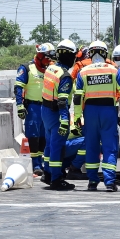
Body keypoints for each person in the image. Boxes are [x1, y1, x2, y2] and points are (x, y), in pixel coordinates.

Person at [74, 40, 120, 192]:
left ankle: (92, 181)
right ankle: (109, 182)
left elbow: (77, 98)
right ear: (105, 53)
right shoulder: (113, 70)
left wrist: (77, 117)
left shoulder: (83, 71)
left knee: (91, 146)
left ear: (90, 53)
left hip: (90, 112)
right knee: (109, 147)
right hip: (108, 110)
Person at [40, 39, 77, 190]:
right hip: (57, 114)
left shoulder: (51, 69)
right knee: (57, 147)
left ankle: (47, 173)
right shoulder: (65, 76)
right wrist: (64, 120)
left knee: (49, 145)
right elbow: (62, 101)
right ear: (70, 56)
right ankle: (56, 179)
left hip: (46, 110)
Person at [14, 43, 54, 176]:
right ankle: (35, 164)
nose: (50, 61)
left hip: (47, 107)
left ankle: (42, 163)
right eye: (48, 58)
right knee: (33, 136)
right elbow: (18, 87)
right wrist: (20, 105)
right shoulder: (27, 68)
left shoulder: (51, 68)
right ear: (41, 55)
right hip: (33, 108)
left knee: (45, 136)